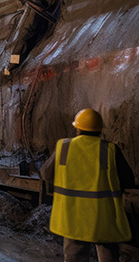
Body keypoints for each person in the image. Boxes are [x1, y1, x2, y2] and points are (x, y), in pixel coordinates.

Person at [40, 108, 134, 262]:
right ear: (100, 129)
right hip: (103, 217)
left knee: (74, 257)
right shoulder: (109, 149)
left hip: (73, 216)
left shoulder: (64, 147)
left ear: (77, 128)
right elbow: (128, 180)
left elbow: (46, 174)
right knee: (108, 255)